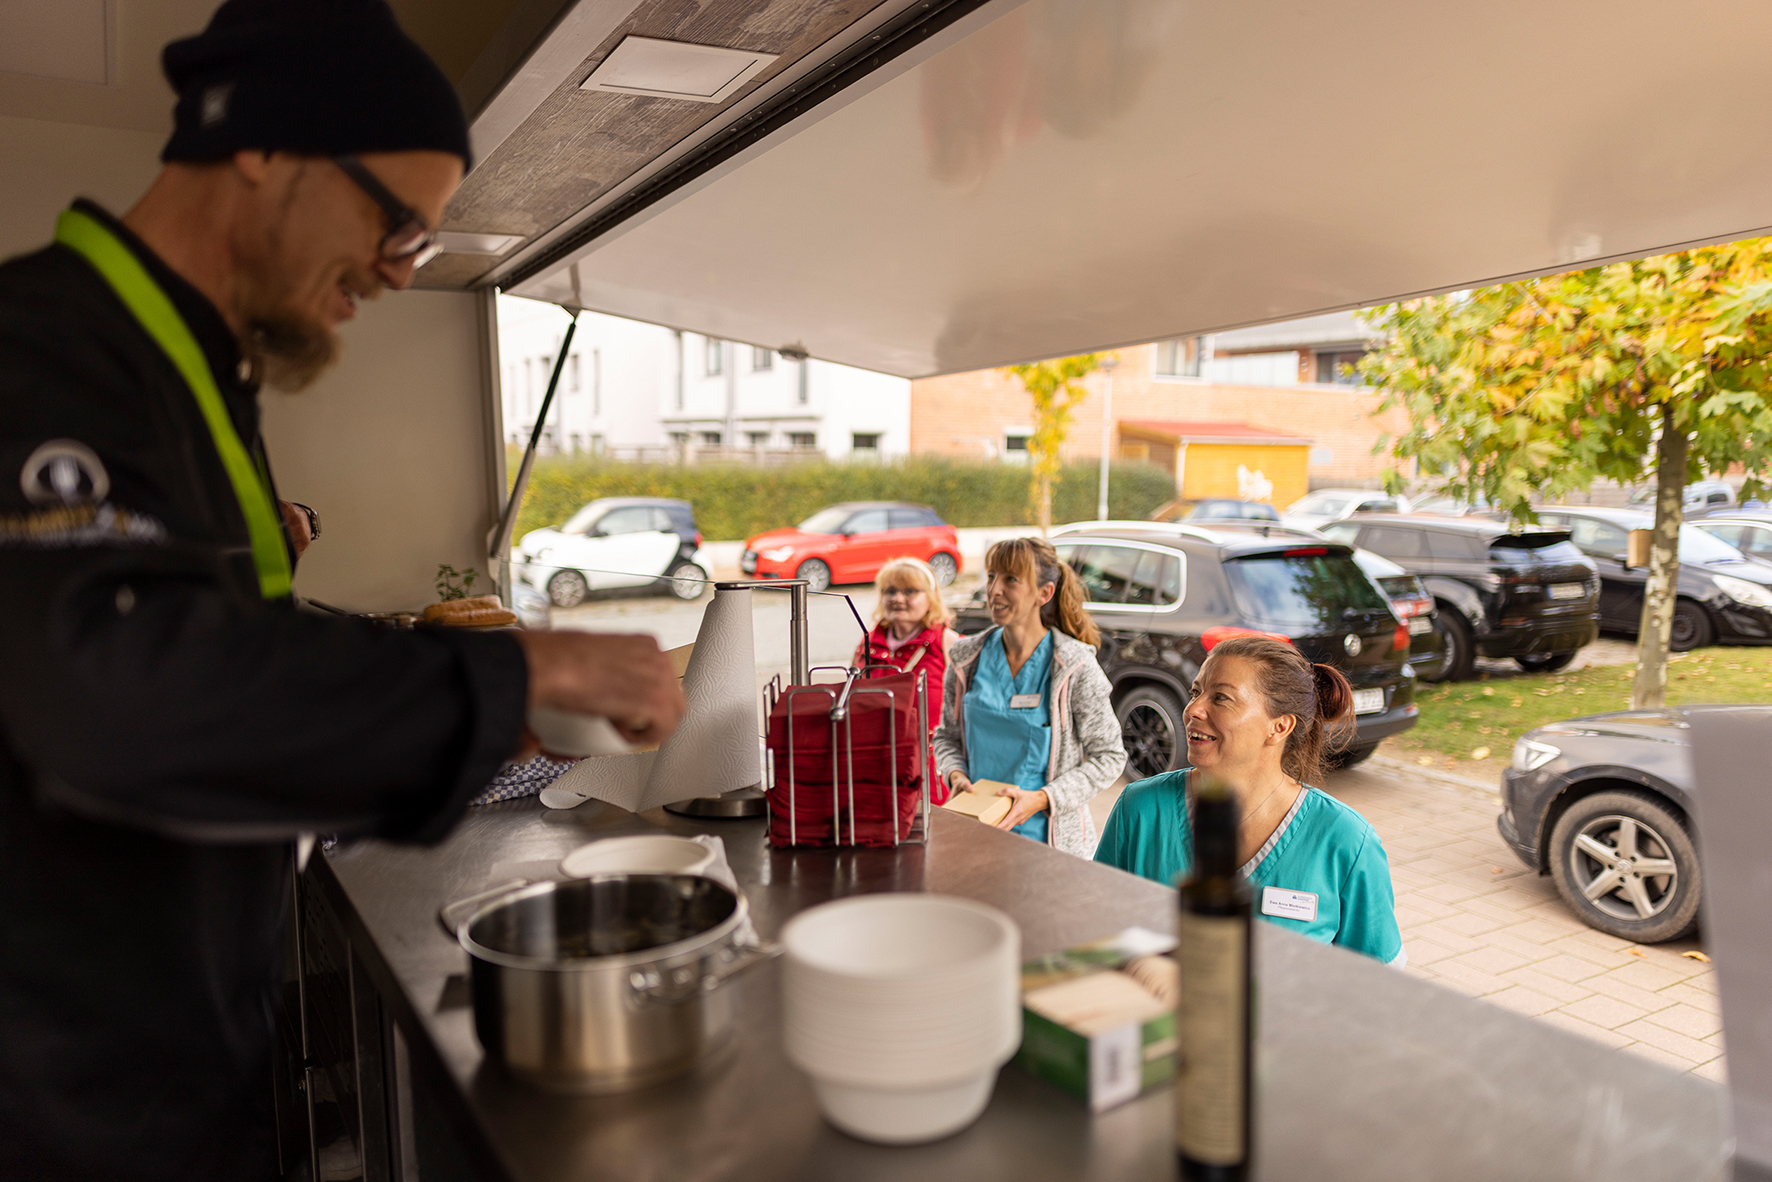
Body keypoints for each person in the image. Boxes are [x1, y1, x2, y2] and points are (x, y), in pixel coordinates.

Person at [0, 3, 686, 1179]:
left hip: (182, 1061)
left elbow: (228, 669)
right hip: (62, 1104)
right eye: (396, 224)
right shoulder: (44, 349)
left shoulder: (203, 383)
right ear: (263, 146)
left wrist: (484, 715)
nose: (391, 270)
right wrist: (514, 669)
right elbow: (108, 692)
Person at [1094, 636, 1405, 965]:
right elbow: (1093, 928)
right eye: (1196, 692)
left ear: (1279, 726)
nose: (1193, 710)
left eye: (1222, 698)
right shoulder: (1140, 809)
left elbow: (1380, 984)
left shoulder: (1346, 841)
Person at [933, 537, 1125, 855]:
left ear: (1044, 593)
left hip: (1048, 845)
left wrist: (1043, 799)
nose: (994, 590)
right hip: (977, 833)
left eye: (1011, 579)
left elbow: (1110, 756)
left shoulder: (1074, 666)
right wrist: (955, 774)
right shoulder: (965, 658)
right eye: (992, 576)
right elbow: (946, 738)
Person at [851, 556, 959, 802]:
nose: (897, 598)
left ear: (930, 597)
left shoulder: (948, 642)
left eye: (909, 591)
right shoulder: (866, 644)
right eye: (890, 591)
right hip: (875, 767)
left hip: (930, 773)